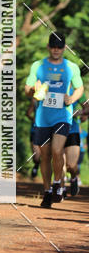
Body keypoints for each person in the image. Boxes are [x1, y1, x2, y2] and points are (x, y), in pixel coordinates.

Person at [24, 32, 83, 208]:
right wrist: (32, 90)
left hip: (62, 115)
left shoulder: (71, 67)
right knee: (44, 156)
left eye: (59, 47)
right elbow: (28, 88)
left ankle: (58, 183)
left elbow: (79, 88)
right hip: (43, 117)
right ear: (48, 47)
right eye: (53, 46)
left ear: (64, 48)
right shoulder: (38, 65)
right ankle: (48, 191)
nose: (56, 50)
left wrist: (71, 99)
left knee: (58, 150)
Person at [64, 98, 85, 197]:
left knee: (71, 165)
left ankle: (73, 178)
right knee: (59, 161)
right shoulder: (50, 84)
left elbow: (87, 108)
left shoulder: (77, 89)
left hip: (73, 131)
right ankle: (60, 187)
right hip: (55, 129)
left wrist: (81, 112)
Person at [26, 98, 41, 178]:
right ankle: (36, 165)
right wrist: (33, 119)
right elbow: (28, 113)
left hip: (49, 129)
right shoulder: (35, 99)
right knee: (36, 155)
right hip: (35, 129)